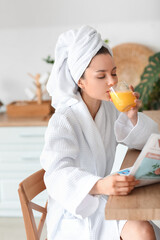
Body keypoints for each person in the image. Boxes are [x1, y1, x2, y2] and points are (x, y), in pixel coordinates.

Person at [40, 25, 160, 240]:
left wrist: (133, 115)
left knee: (143, 229)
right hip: (76, 209)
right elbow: (56, 174)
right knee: (142, 230)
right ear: (81, 81)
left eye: (113, 73)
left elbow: (145, 139)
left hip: (101, 196)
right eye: (101, 76)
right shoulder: (64, 120)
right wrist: (99, 184)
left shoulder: (108, 108)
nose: (112, 81)